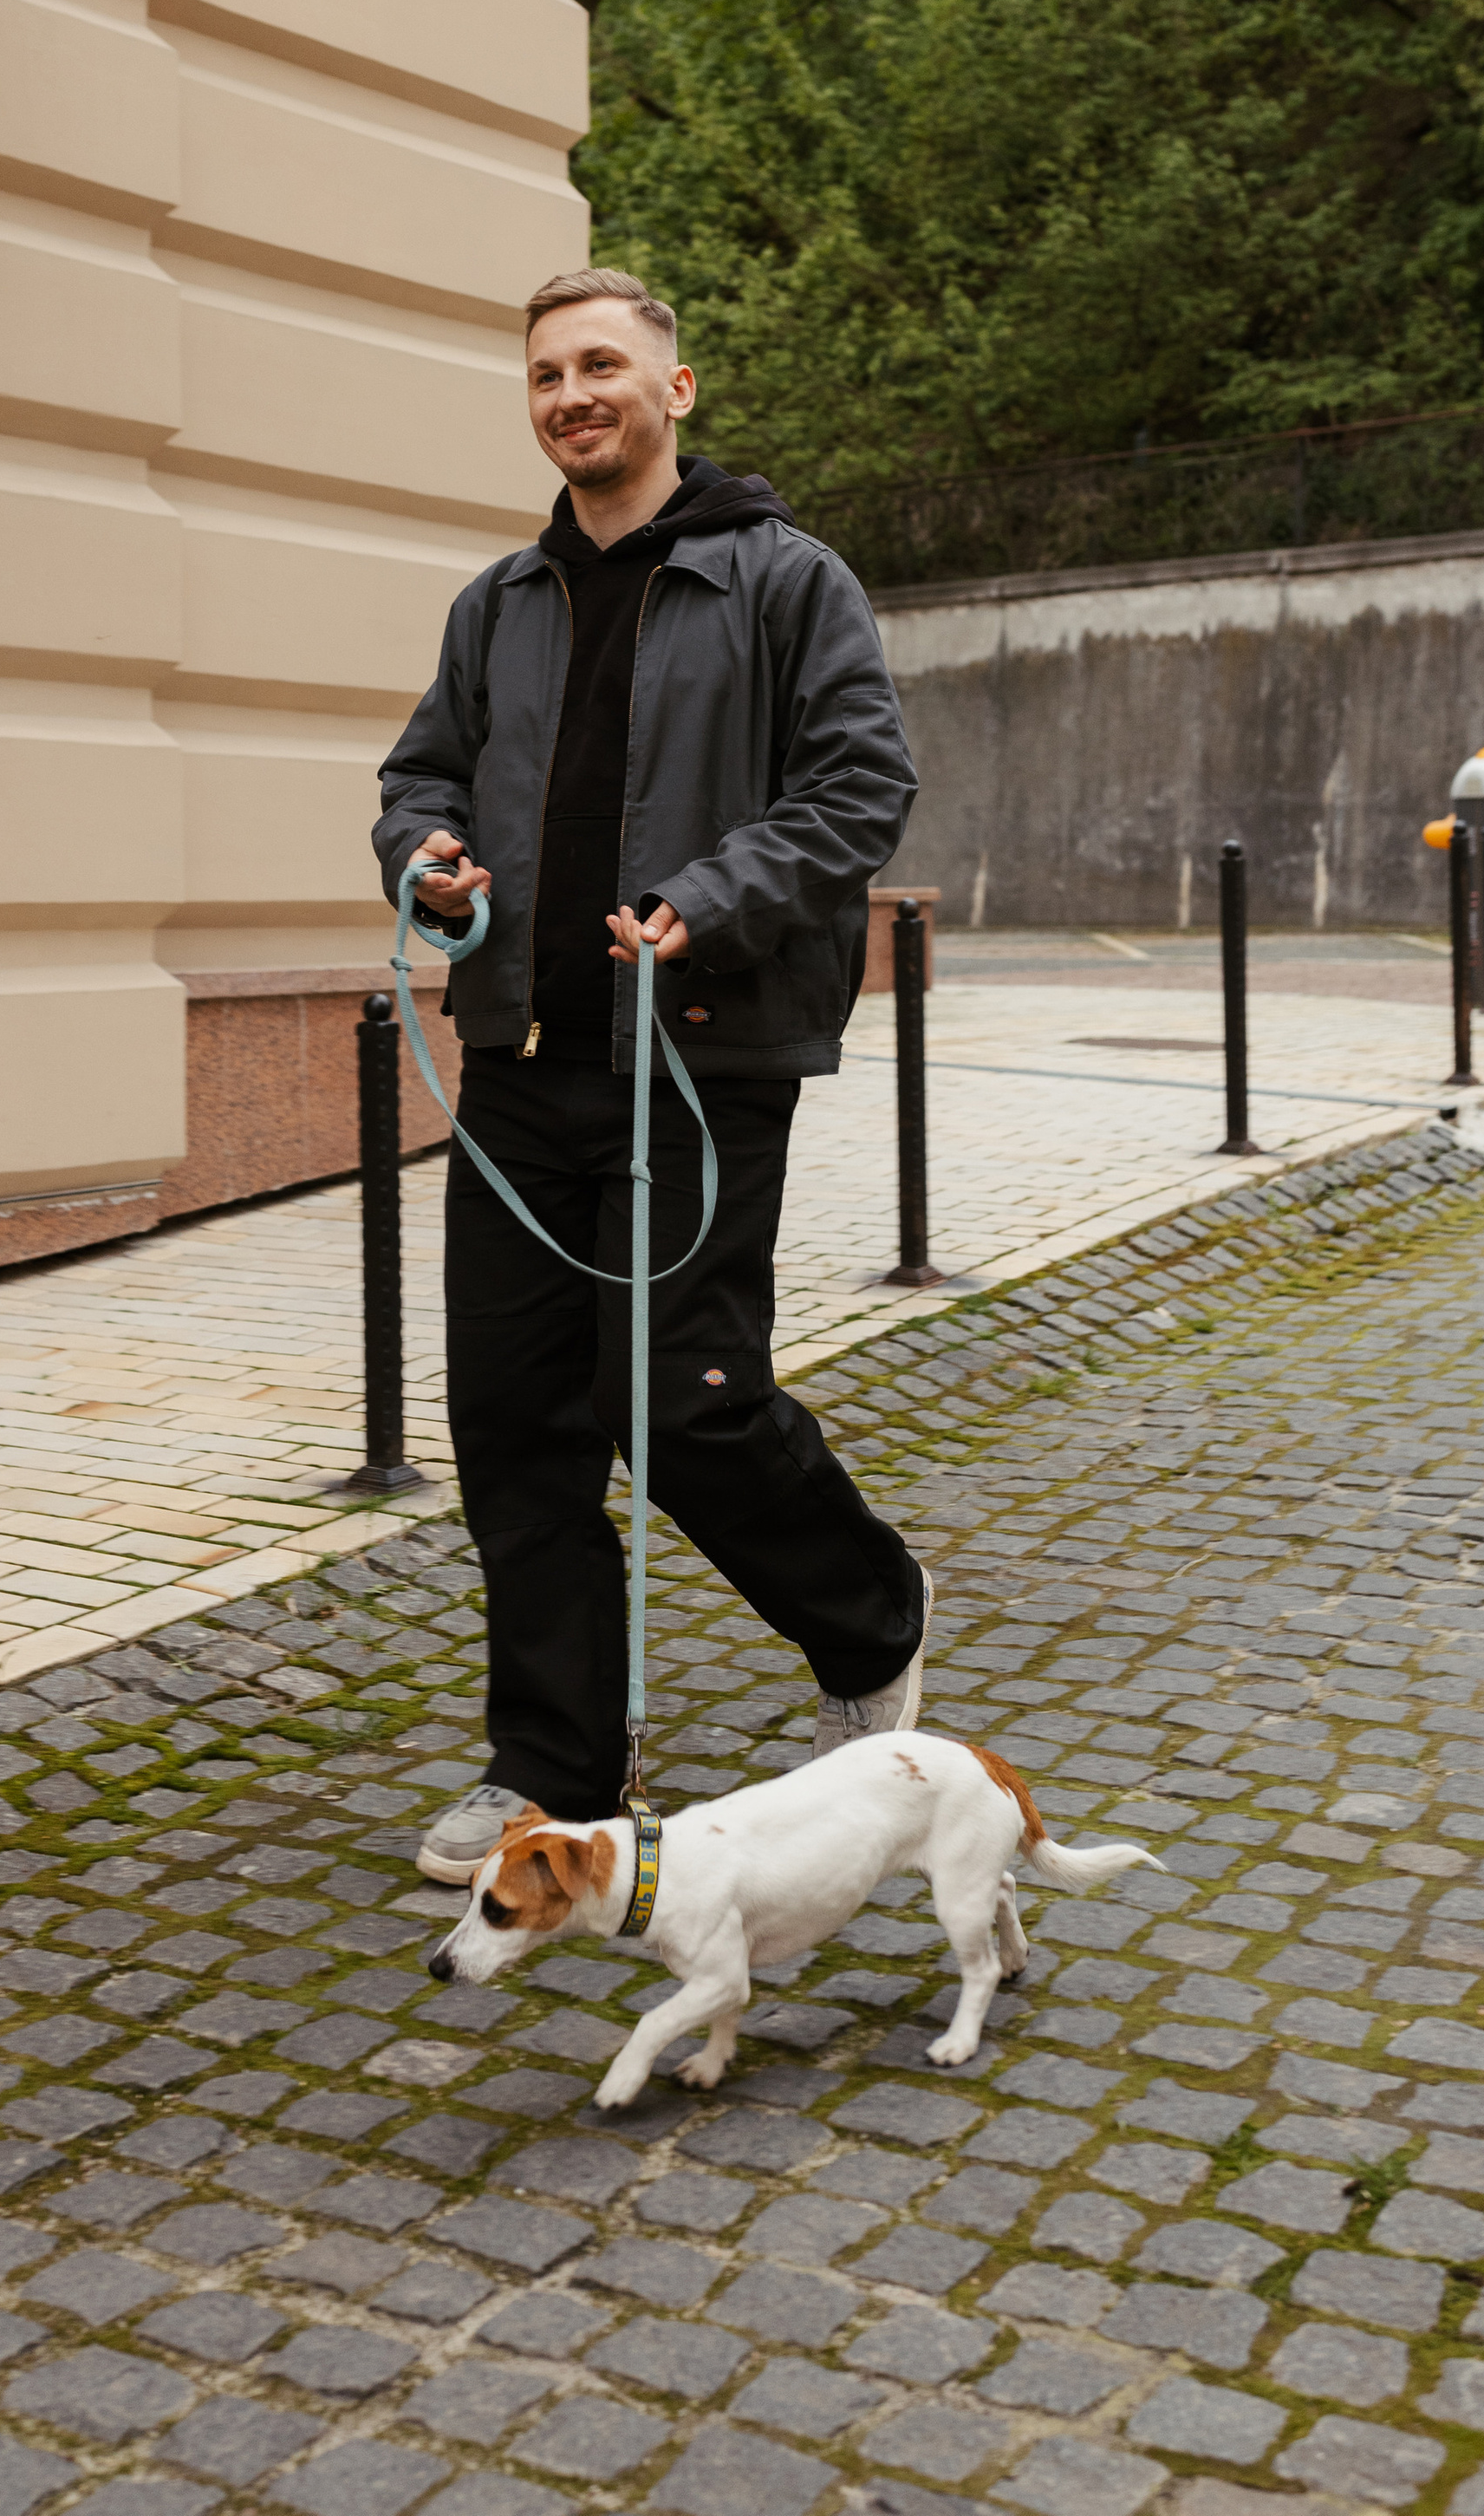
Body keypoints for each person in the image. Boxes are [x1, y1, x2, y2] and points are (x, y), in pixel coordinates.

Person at [374, 265, 934, 1885]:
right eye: (548, 374)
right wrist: (430, 857)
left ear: (672, 391)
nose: (572, 394)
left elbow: (858, 786)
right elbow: (421, 773)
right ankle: (555, 1768)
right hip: (521, 1071)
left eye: (601, 364)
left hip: (697, 1065)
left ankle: (869, 1624)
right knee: (514, 1425)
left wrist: (713, 898)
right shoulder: (500, 606)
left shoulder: (783, 579)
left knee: (685, 1403)